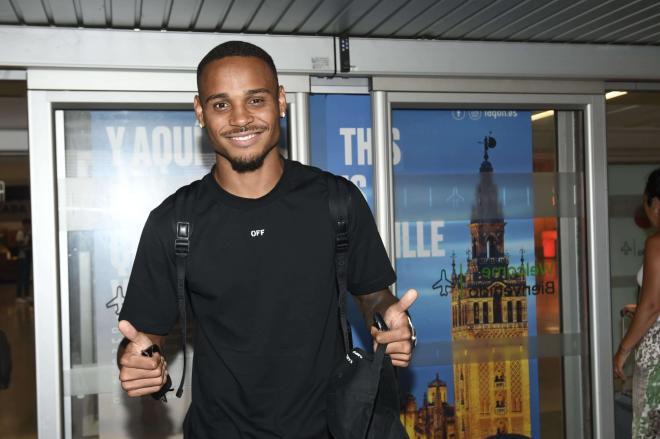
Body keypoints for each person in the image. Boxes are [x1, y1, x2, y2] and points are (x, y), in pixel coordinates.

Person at [117, 41, 417, 438]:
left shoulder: (336, 202)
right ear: (199, 112)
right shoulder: (174, 222)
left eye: (255, 99)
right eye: (221, 104)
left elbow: (373, 296)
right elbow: (141, 336)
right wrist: (134, 360)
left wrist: (390, 320)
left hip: (328, 429)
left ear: (280, 101)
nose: (240, 119)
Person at [614, 167, 660, 438]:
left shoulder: (656, 243)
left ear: (655, 202)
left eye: (646, 204)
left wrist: (623, 350)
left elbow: (652, 305)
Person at [15, 218, 31, 303]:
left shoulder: (29, 233)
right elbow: (19, 246)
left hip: (28, 257)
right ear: (23, 225)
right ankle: (19, 296)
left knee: (27, 277)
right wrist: (26, 247)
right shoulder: (20, 233)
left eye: (29, 225)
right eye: (26, 225)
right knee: (21, 277)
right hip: (22, 257)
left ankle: (26, 295)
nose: (28, 226)